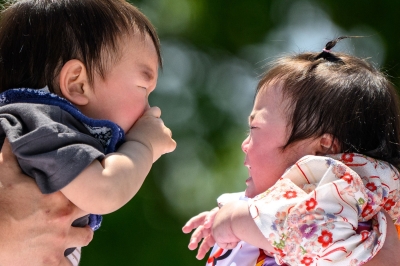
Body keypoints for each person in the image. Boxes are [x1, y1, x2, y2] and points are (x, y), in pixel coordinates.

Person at [183, 37, 400, 266]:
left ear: (322, 150)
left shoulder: (341, 203)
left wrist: (234, 220)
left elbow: (311, 237)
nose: (244, 145)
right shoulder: (271, 207)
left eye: (255, 128)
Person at [0, 0, 176, 264]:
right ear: (77, 84)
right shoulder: (40, 124)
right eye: (143, 88)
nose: (149, 109)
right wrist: (144, 144)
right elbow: (106, 190)